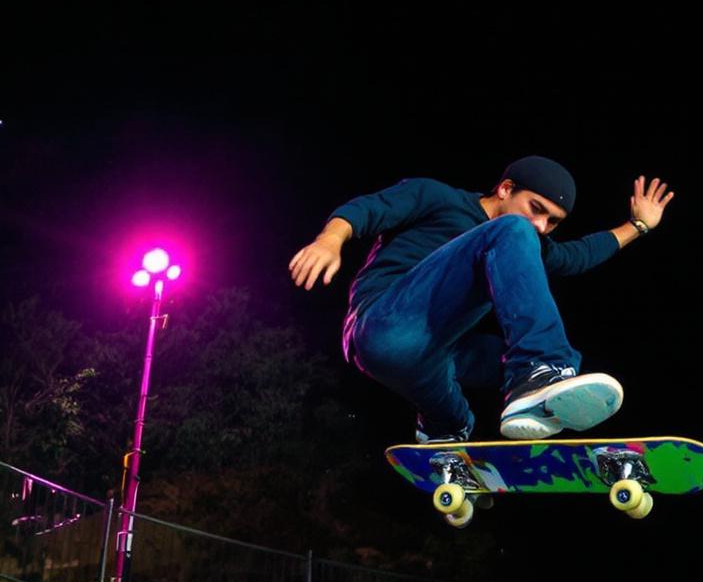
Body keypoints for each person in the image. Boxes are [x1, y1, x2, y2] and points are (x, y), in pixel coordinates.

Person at [288, 156, 674, 442]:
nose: (540, 226)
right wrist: (329, 240)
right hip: (383, 325)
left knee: (484, 384)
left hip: (433, 356)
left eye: (552, 222)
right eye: (536, 209)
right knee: (511, 234)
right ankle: (538, 371)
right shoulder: (440, 198)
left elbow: (576, 257)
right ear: (505, 189)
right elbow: (368, 209)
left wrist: (637, 226)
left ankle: (444, 434)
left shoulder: (524, 238)